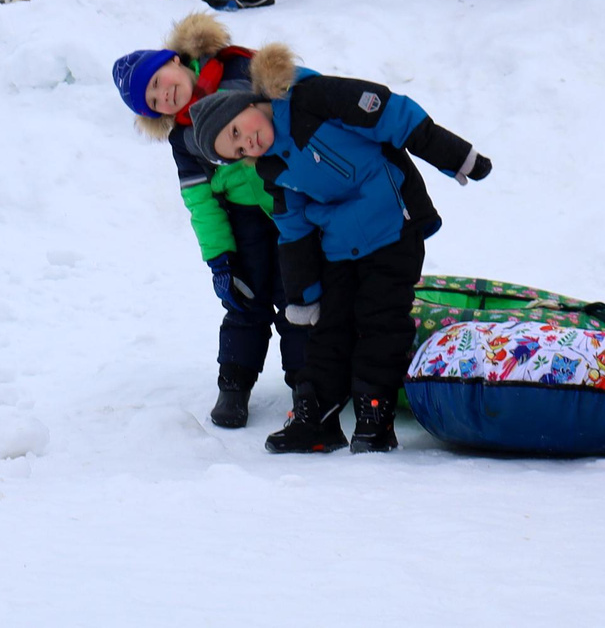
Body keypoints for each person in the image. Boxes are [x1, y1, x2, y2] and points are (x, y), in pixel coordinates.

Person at [185, 47, 491, 455]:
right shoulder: (272, 169)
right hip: (339, 247)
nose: (248, 145)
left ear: (249, 104)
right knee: (327, 328)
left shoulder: (313, 98)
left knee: (380, 319)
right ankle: (317, 418)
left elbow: (392, 114)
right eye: (237, 151)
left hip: (392, 224)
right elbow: (291, 231)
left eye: (238, 131)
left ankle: (374, 416)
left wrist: (455, 156)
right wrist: (303, 297)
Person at [110, 13, 304, 428]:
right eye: (155, 101)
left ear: (175, 60)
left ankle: (308, 385)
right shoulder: (183, 136)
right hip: (243, 217)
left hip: (291, 199)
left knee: (298, 295)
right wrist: (220, 259)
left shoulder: (237, 67)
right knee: (245, 297)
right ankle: (234, 384)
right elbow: (200, 201)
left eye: (160, 81)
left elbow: (296, 106)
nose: (165, 95)